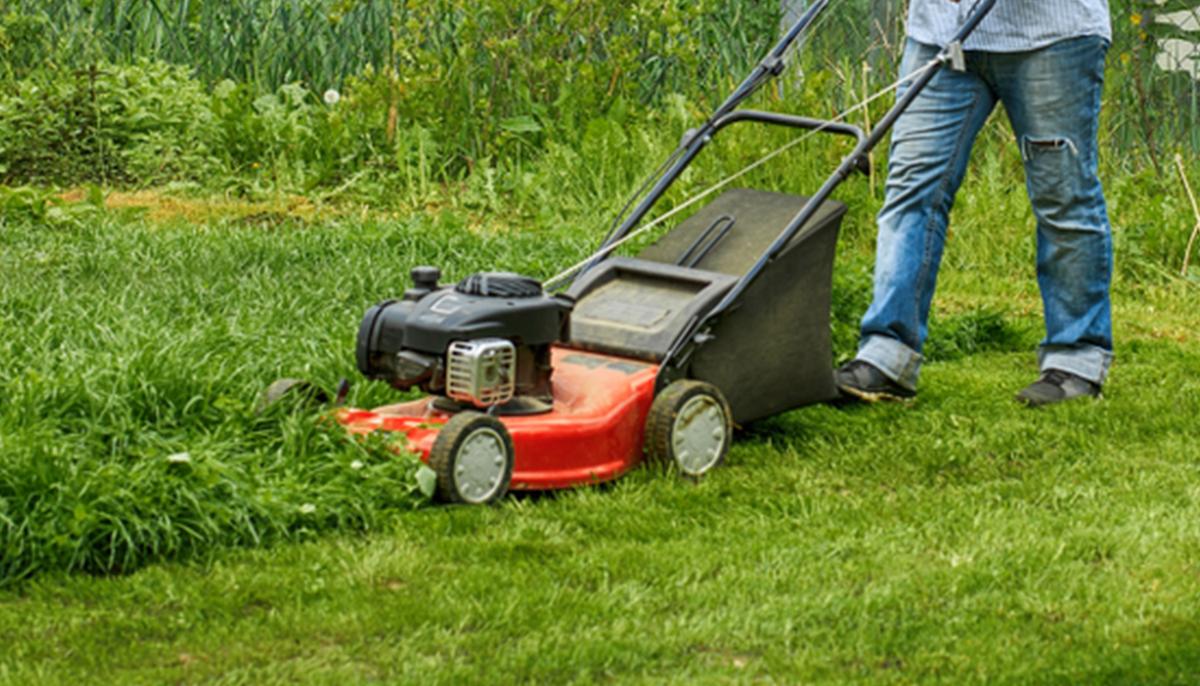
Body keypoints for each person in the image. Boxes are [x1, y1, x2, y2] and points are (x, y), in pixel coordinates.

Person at [834, 0, 1114, 407]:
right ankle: (887, 356)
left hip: (1051, 35)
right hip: (939, 33)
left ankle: (1077, 360)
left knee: (1063, 196)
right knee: (912, 189)